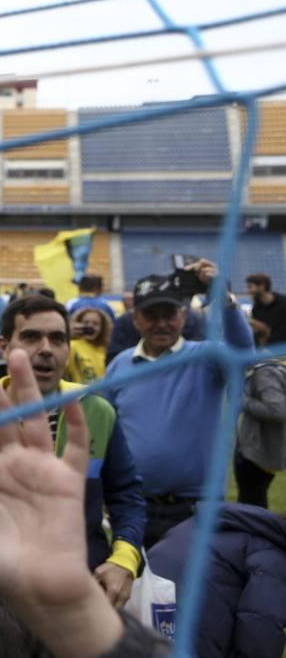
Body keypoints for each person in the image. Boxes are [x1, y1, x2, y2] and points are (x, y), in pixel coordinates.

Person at [0, 295, 146, 608]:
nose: (46, 348)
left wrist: (123, 559)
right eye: (31, 337)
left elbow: (126, 494)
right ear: (4, 346)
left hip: (86, 588)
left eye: (58, 338)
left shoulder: (97, 411)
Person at [107, 261, 254, 547]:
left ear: (184, 316)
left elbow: (243, 354)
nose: (161, 323)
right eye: (151, 314)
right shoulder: (119, 365)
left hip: (196, 506)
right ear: (135, 318)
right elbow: (106, 433)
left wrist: (224, 299)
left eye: (169, 314)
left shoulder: (207, 356)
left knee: (197, 589)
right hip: (134, 506)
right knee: (137, 588)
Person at [147, 504, 285, 658]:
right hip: (188, 625)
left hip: (140, 610)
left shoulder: (242, 523)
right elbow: (259, 631)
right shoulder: (274, 558)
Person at [236, 356, 285, 508]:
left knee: (252, 508)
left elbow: (277, 410)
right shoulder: (277, 365)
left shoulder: (267, 371)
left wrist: (242, 401)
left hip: (256, 454)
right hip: (270, 449)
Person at [66, 307, 111, 384]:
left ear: (102, 328)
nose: (90, 326)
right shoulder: (72, 345)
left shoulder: (107, 349)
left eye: (95, 324)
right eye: (86, 323)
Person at [247, 273, 286, 345]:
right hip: (270, 351)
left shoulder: (283, 303)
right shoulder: (256, 309)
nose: (249, 291)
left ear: (262, 286)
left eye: (250, 287)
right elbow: (260, 335)